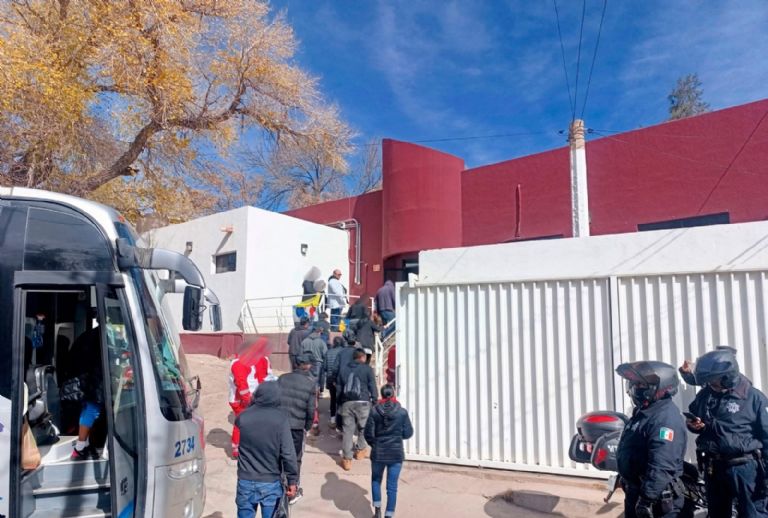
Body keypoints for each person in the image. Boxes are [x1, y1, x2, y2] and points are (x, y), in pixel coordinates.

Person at [686, 347, 768, 518]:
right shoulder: (706, 395)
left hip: (745, 468)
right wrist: (695, 425)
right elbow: (698, 418)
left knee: (752, 514)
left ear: (727, 377)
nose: (710, 385)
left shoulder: (753, 398)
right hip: (714, 467)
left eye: (713, 381)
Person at [615, 360, 687, 518]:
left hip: (657, 500)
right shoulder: (645, 412)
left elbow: (662, 464)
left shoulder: (665, 419)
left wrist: (647, 499)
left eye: (641, 385)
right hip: (637, 491)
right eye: (634, 384)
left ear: (661, 388)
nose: (635, 389)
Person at [235, 381, 298, 518]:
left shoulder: (243, 417)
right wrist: (292, 481)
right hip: (270, 482)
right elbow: (288, 454)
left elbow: (239, 423)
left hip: (245, 480)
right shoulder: (281, 419)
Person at [364, 384, 414, 518]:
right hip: (396, 453)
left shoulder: (374, 411)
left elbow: (368, 434)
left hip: (378, 453)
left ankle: (377, 511)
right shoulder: (402, 412)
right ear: (393, 394)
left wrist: (375, 444)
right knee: (392, 487)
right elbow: (408, 433)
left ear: (381, 395)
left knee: (376, 480)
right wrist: (397, 436)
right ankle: (389, 515)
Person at [278, 354, 317, 505]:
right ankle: (292, 490)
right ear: (308, 366)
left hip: (280, 425)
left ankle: (279, 485)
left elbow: (274, 400)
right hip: (296, 428)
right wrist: (306, 427)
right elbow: (310, 411)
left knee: (280, 455)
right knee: (295, 459)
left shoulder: (282, 379)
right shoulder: (310, 384)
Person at [63, 325, 105, 460]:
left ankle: (85, 445)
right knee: (92, 409)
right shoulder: (100, 336)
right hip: (92, 379)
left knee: (89, 409)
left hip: (83, 378)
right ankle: (80, 447)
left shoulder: (87, 335)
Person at [228, 342, 272, 457]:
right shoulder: (263, 360)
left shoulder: (237, 363)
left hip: (244, 399)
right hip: (247, 399)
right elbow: (268, 378)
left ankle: (239, 448)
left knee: (243, 423)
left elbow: (242, 383)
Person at [338, 348, 378, 471]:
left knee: (348, 431)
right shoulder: (367, 369)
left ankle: (347, 460)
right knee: (363, 428)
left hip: (347, 402)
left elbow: (339, 386)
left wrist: (340, 402)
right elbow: (372, 384)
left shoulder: (344, 369)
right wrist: (375, 399)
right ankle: (360, 451)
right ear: (363, 357)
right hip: (363, 402)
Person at [325, 336, 346, 427]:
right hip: (340, 379)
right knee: (341, 400)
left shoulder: (328, 352)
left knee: (333, 399)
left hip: (330, 378)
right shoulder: (344, 352)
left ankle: (333, 420)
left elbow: (325, 367)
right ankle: (340, 420)